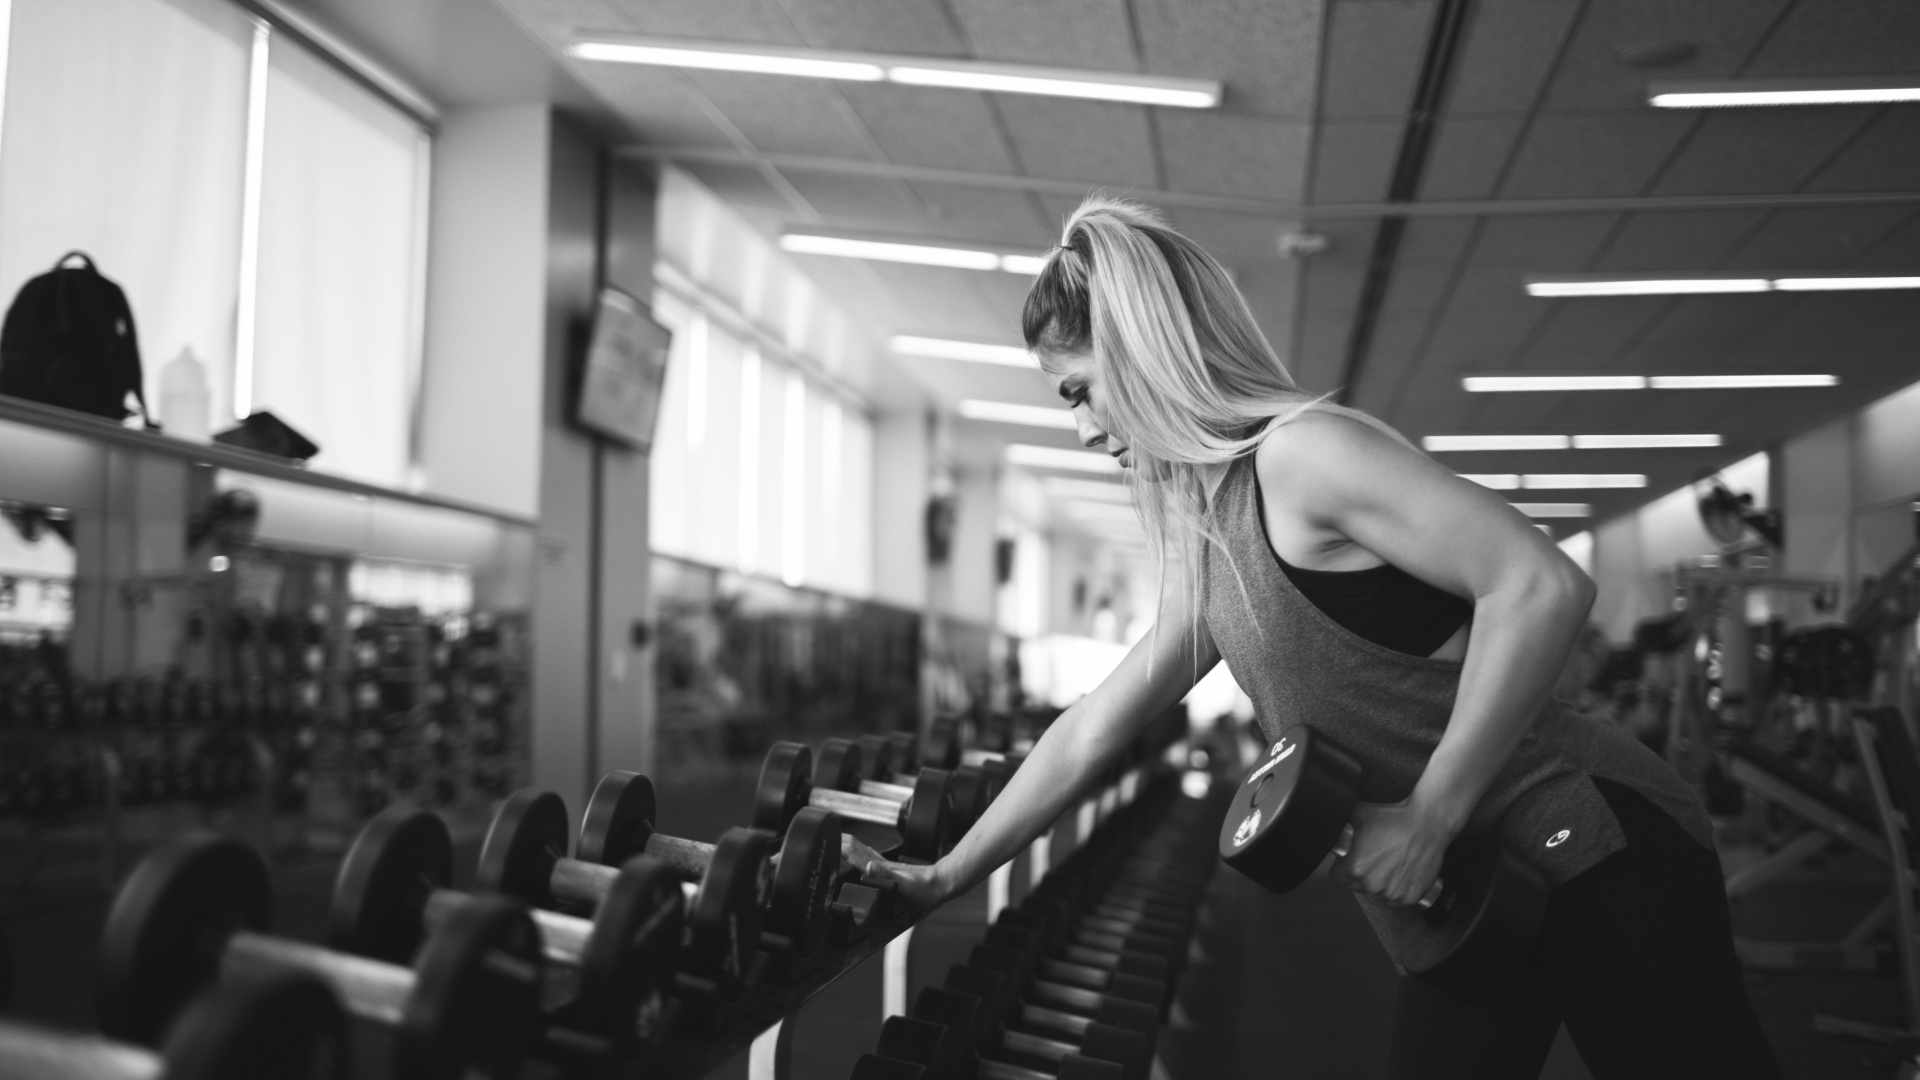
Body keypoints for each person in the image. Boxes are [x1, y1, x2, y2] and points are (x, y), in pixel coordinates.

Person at [862, 197, 1782, 1079]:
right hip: (1478, 886)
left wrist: (1427, 814)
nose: (1081, 427)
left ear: (1140, 355)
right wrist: (945, 873)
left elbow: (1540, 584)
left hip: (1591, 841)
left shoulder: (1299, 456)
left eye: (1080, 390)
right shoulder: (1210, 525)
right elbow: (1096, 726)